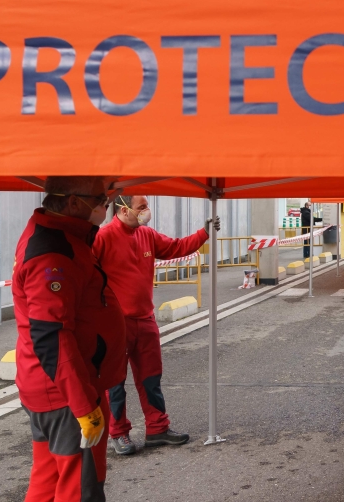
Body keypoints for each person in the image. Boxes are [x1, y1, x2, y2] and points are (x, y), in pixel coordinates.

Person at [13, 176, 126, 501]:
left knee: (48, 482)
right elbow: (51, 337)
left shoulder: (59, 236)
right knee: (80, 489)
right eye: (101, 199)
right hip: (67, 394)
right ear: (74, 202)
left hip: (52, 388)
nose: (106, 205)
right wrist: (83, 406)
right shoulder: (53, 254)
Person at [94, 195, 219, 455]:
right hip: (116, 323)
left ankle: (157, 428)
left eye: (147, 206)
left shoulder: (147, 235)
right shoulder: (103, 237)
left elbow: (177, 247)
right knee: (114, 381)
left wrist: (204, 233)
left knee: (151, 377)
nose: (147, 212)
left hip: (145, 319)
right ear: (123, 209)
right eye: (141, 208)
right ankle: (118, 433)